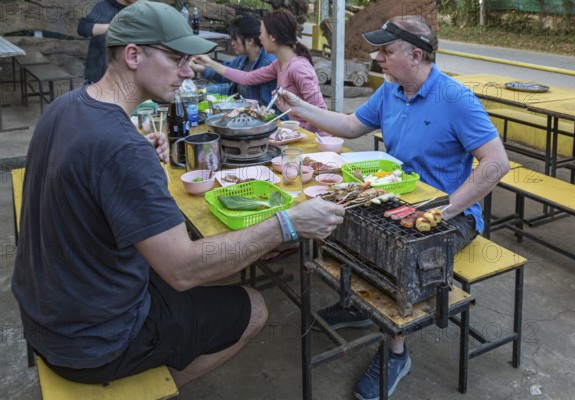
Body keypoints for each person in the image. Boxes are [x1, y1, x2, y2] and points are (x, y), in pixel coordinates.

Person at [11, 1, 344, 387]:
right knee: (252, 306)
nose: (187, 73)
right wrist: (288, 224)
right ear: (133, 55)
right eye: (176, 60)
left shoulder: (66, 106)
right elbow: (183, 270)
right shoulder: (121, 147)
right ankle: (148, 386)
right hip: (92, 342)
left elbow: (92, 171)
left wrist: (135, 154)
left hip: (45, 316)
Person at [276, 16, 510, 400]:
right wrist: (300, 105)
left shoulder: (456, 99)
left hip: (451, 214)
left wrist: (444, 211)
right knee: (336, 218)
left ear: (415, 54)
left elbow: (496, 163)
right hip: (397, 197)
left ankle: (396, 351)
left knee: (401, 253)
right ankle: (356, 304)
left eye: (386, 51)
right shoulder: (391, 91)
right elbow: (351, 126)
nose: (377, 57)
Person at [194, 8, 329, 134]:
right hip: (294, 133)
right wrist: (210, 63)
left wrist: (304, 133)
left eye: (261, 32)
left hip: (312, 139)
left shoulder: (298, 67)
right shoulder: (278, 64)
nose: (259, 37)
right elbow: (247, 78)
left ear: (273, 37)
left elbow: (320, 111)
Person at [191, 15, 277, 107]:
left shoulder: (267, 63)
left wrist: (209, 63)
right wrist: (199, 68)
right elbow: (225, 74)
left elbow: (267, 107)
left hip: (254, 115)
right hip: (240, 108)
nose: (232, 43)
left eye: (235, 39)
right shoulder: (243, 59)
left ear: (249, 41)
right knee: (196, 92)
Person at [77, 0, 137, 83]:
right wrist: (112, 27)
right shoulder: (104, 7)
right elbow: (83, 28)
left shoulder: (140, 9)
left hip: (129, 75)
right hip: (99, 75)